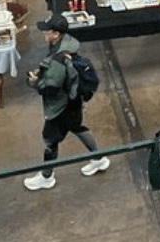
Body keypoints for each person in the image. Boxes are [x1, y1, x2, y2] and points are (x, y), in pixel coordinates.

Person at [24, 15, 109, 190]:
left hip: (60, 106)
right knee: (77, 127)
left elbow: (52, 86)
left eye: (47, 31)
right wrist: (43, 73)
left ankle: (47, 177)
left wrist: (35, 83)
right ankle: (100, 159)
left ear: (55, 34)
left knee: (50, 140)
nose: (44, 34)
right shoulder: (67, 45)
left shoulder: (57, 58)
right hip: (74, 100)